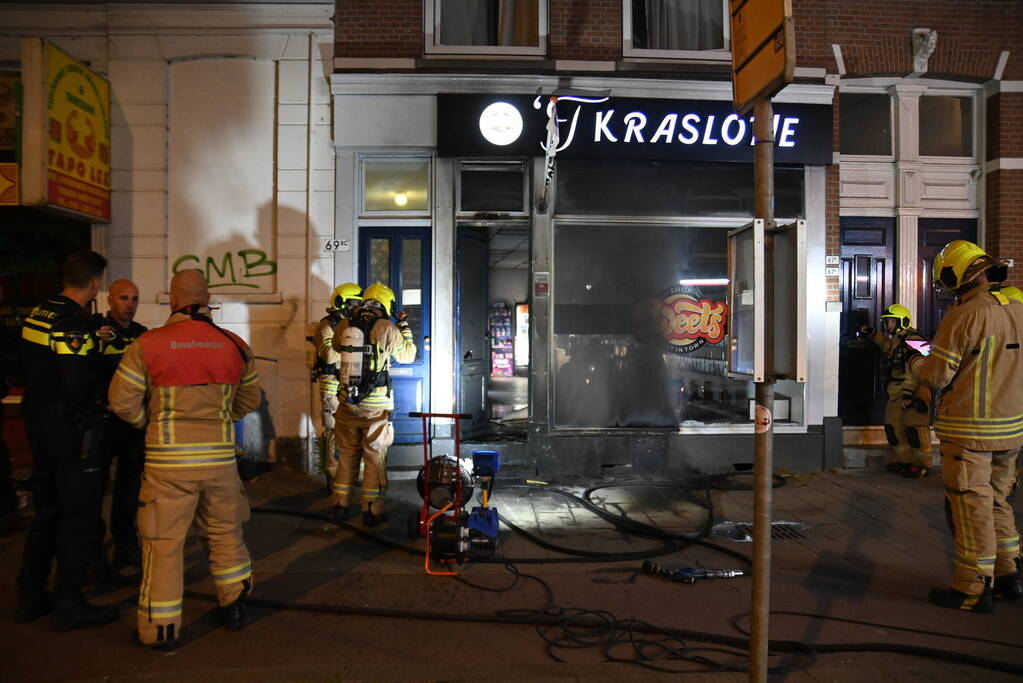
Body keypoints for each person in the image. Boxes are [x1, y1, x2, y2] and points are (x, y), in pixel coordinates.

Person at [108, 269, 261, 649]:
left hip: (168, 465)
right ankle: (235, 606)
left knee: (164, 545)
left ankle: (161, 630)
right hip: (220, 463)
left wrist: (152, 423)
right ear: (207, 300)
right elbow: (248, 402)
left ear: (173, 300)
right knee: (226, 534)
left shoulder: (149, 344)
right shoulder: (235, 345)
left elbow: (122, 402)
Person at [907, 240, 1023, 612]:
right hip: (1012, 429)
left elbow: (938, 375)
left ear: (953, 276)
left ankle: (972, 588)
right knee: (998, 503)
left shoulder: (963, 316)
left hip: (970, 433)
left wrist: (914, 364)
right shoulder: (1018, 308)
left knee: (970, 507)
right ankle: (1010, 578)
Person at [15, 250, 119, 631]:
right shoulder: (71, 320)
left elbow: (44, 359)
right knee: (78, 515)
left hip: (39, 423)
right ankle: (69, 600)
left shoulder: (39, 312)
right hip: (69, 430)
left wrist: (92, 337)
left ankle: (30, 596)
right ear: (94, 283)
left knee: (47, 512)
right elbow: (75, 381)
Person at [330, 282, 416, 527]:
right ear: (386, 304)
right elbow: (408, 355)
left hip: (347, 401)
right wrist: (405, 328)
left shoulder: (346, 325)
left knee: (346, 455)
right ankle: (371, 510)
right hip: (376, 406)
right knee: (374, 457)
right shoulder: (386, 327)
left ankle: (340, 505)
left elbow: (337, 347)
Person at [92, 279, 147, 579]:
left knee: (129, 488)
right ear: (110, 300)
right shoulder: (97, 332)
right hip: (102, 422)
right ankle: (95, 552)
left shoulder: (142, 336)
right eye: (124, 298)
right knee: (96, 490)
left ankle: (125, 544)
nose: (130, 304)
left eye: (135, 298)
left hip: (130, 424)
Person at [859, 304, 933, 478]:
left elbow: (919, 370)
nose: (889, 325)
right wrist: (871, 332)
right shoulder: (896, 340)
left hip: (915, 391)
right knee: (893, 428)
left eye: (892, 321)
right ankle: (904, 460)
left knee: (915, 430)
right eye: (888, 322)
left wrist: (908, 394)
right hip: (897, 391)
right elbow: (886, 345)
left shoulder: (915, 340)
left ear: (903, 321)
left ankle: (922, 465)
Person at [313, 283, 362, 481]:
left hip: (350, 378)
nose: (355, 307)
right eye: (352, 303)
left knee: (355, 424)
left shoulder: (354, 324)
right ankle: (331, 471)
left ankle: (355, 470)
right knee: (332, 426)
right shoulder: (327, 325)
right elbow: (329, 356)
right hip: (331, 379)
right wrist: (350, 346)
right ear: (341, 302)